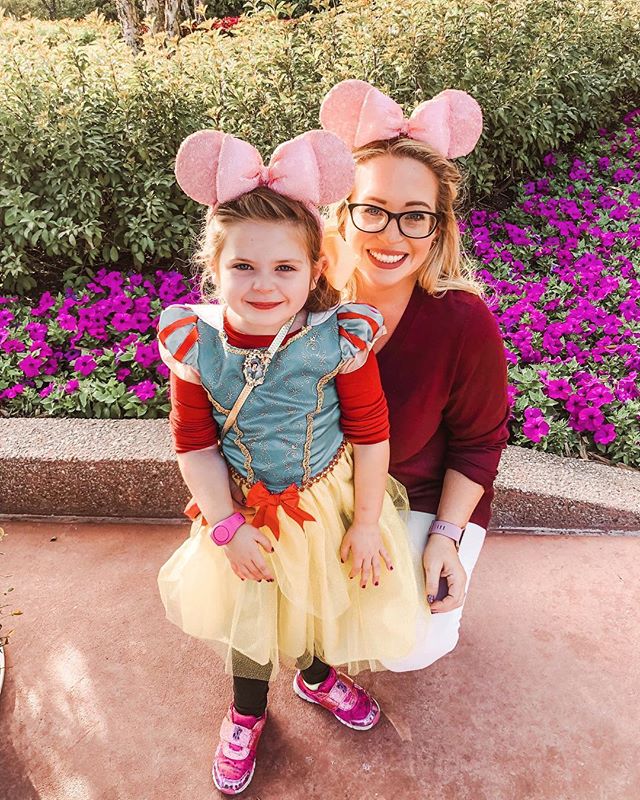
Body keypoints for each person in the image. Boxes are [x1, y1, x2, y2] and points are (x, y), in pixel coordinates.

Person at [156, 128, 422, 795]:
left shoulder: (336, 340)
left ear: (315, 270)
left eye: (285, 269)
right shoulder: (198, 344)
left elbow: (370, 432)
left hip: (327, 504)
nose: (264, 285)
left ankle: (312, 673)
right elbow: (193, 442)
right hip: (242, 510)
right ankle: (246, 712)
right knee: (251, 614)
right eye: (243, 267)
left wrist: (365, 523)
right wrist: (225, 526)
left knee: (320, 601)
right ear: (213, 269)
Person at [320, 80, 510, 671]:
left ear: (438, 228)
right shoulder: (305, 304)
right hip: (324, 497)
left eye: (414, 218)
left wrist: (446, 537)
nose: (391, 235)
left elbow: (480, 442)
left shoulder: (462, 320)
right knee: (312, 620)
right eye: (373, 210)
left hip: (424, 497)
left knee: (408, 645)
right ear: (343, 216)